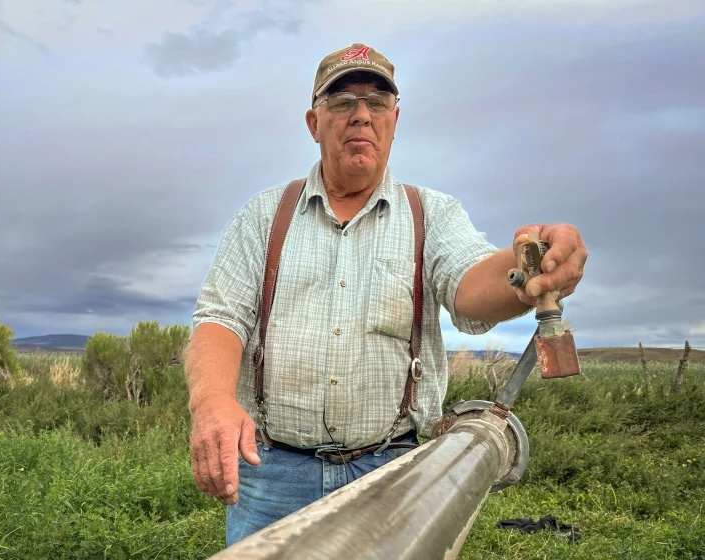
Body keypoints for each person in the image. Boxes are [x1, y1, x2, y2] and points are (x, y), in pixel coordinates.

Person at [184, 42, 588, 546]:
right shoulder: (264, 216)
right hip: (271, 476)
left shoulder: (432, 215)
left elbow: (469, 285)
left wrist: (530, 269)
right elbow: (221, 318)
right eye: (342, 101)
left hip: (394, 474)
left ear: (394, 120)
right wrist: (213, 400)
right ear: (314, 122)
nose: (361, 115)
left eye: (377, 102)